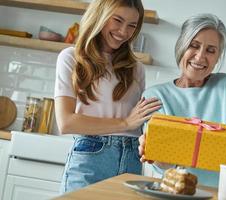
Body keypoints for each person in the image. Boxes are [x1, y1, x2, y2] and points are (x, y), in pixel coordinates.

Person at [138, 13, 226, 194]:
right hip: (187, 194)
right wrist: (152, 151)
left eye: (211, 50)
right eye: (194, 45)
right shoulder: (155, 96)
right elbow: (165, 166)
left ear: (217, 56)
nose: (200, 57)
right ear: (181, 46)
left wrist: (182, 146)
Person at [54, 0, 161, 193]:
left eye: (131, 26)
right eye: (117, 20)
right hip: (91, 156)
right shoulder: (71, 58)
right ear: (99, 16)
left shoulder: (136, 68)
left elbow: (137, 120)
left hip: (131, 158)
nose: (123, 32)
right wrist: (124, 123)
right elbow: (66, 122)